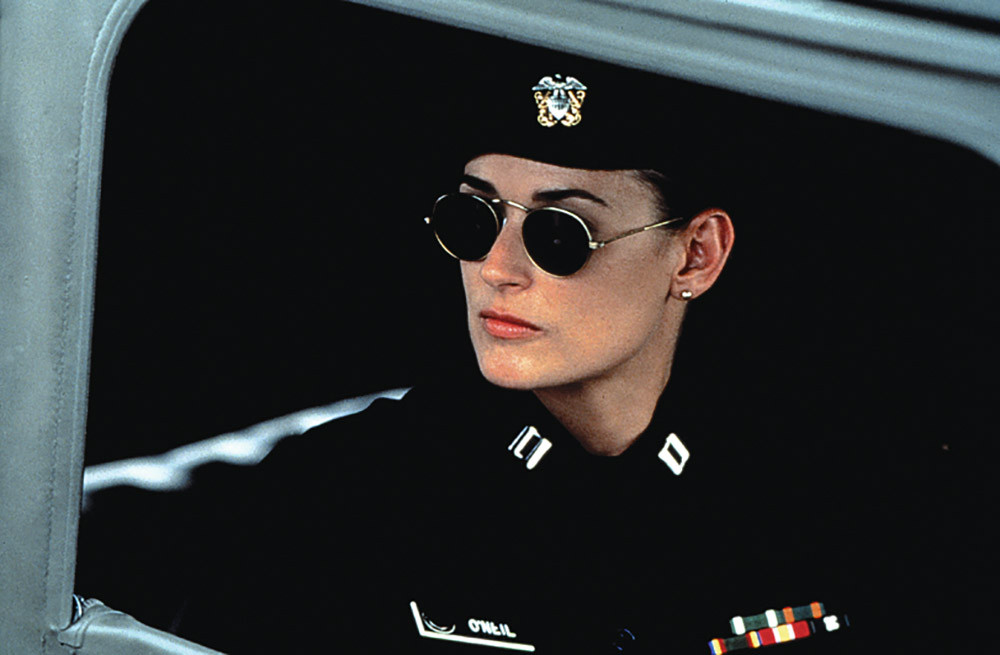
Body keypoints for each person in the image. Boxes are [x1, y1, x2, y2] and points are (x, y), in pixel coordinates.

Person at [175, 63, 969, 655]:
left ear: (695, 255)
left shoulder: (843, 495)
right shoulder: (334, 501)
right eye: (473, 219)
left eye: (561, 234)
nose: (497, 268)